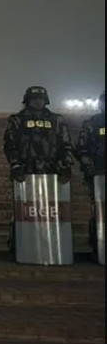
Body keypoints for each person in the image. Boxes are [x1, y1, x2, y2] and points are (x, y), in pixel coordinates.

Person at [3, 86, 74, 257]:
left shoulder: (57, 120)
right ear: (27, 101)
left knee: (53, 211)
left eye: (41, 98)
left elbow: (66, 145)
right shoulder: (17, 120)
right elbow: (10, 145)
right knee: (24, 211)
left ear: (46, 100)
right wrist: (15, 166)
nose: (38, 101)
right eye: (34, 98)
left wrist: (66, 166)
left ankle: (53, 247)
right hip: (25, 170)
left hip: (53, 171)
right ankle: (19, 247)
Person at [74, 91, 103, 256]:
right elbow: (82, 148)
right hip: (98, 175)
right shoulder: (92, 124)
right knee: (99, 212)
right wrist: (90, 169)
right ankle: (98, 247)